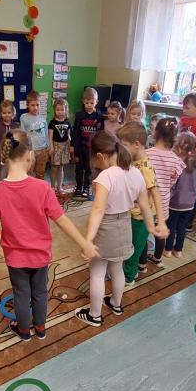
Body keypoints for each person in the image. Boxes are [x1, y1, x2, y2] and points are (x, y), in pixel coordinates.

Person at [0, 130, 97, 342]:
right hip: (40, 255)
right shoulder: (42, 187)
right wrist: (84, 243)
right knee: (40, 292)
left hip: (15, 257)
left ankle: (24, 331)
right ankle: (40, 328)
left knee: (21, 293)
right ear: (30, 155)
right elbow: (62, 220)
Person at [75, 131, 163, 327]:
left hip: (107, 227)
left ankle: (94, 315)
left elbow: (98, 210)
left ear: (100, 156)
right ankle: (115, 303)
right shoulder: (135, 172)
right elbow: (145, 205)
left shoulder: (105, 177)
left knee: (97, 271)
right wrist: (151, 226)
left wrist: (88, 241)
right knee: (117, 268)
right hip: (125, 224)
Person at [117, 122, 167, 286]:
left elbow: (156, 193)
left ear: (137, 144)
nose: (121, 149)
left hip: (140, 218)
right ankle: (132, 269)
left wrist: (161, 221)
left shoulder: (145, 167)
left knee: (133, 248)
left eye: (124, 145)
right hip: (133, 213)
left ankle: (129, 277)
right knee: (131, 245)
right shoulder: (134, 161)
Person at [164, 132, 196, 258]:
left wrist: (163, 198)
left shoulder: (176, 164)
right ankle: (178, 250)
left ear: (179, 148)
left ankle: (168, 250)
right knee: (182, 227)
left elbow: (172, 186)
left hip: (174, 202)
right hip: (189, 204)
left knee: (171, 226)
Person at [145, 119, 185, 266]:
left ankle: (142, 265)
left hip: (147, 200)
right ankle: (157, 259)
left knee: (144, 232)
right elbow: (173, 180)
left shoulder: (146, 154)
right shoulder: (175, 159)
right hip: (163, 201)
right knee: (160, 231)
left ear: (155, 134)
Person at [72, 87, 104, 199]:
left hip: (91, 149)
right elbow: (75, 132)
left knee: (89, 169)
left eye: (92, 103)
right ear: (83, 101)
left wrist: (98, 148)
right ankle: (78, 187)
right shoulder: (79, 115)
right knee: (79, 168)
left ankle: (86, 187)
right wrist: (73, 147)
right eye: (86, 103)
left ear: (96, 102)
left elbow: (100, 133)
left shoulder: (99, 116)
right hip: (80, 147)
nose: (89, 105)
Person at [20, 90, 50, 179]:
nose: (35, 108)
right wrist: (25, 149)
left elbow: (46, 133)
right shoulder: (24, 117)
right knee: (28, 172)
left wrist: (48, 146)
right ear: (27, 105)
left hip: (42, 149)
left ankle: (39, 187)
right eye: (32, 105)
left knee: (41, 172)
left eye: (37, 105)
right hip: (30, 150)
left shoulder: (43, 118)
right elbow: (22, 134)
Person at [48, 97, 71, 193]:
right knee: (54, 167)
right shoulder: (52, 123)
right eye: (58, 110)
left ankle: (59, 186)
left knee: (61, 167)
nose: (60, 112)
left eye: (62, 109)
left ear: (66, 110)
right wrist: (51, 147)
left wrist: (70, 146)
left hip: (64, 146)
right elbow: (50, 136)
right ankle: (52, 186)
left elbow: (69, 136)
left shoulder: (67, 122)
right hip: (55, 146)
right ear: (54, 110)